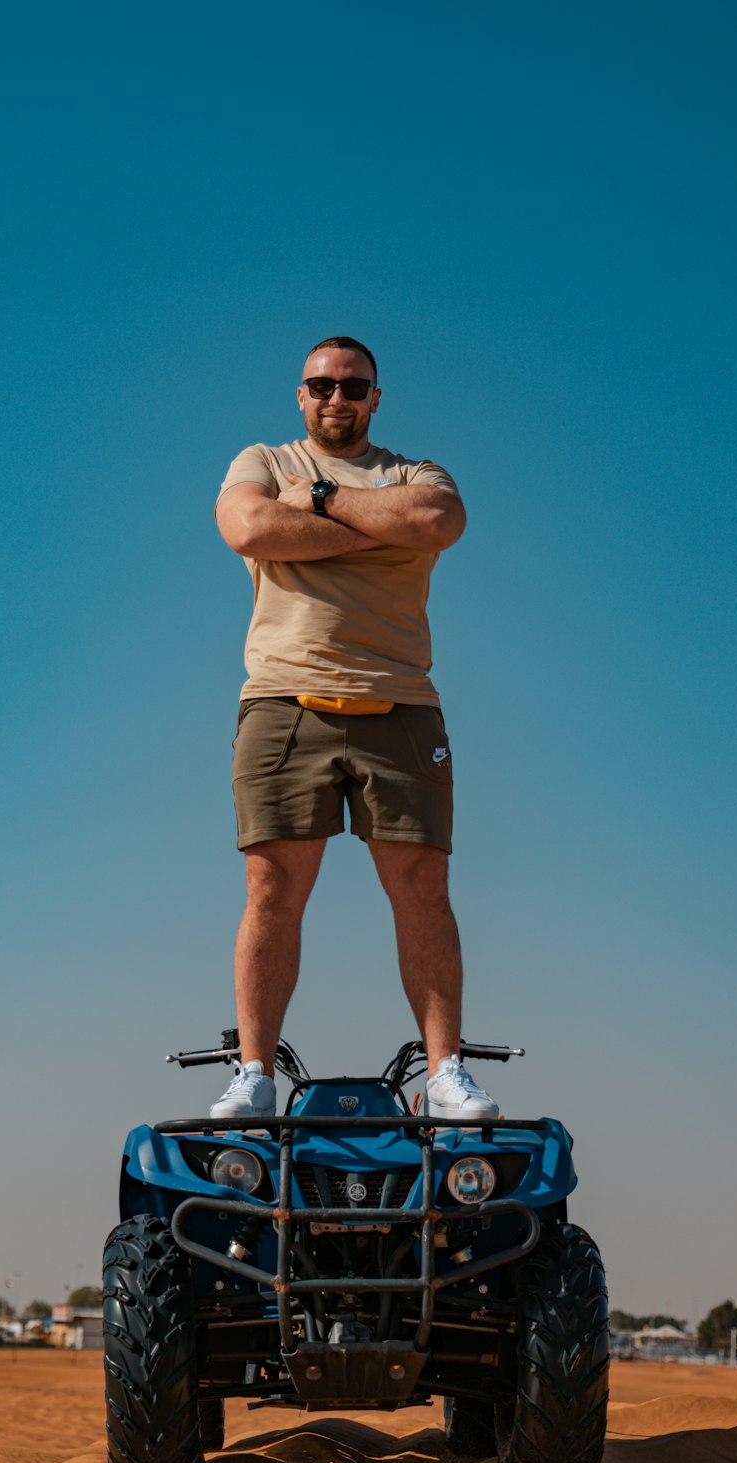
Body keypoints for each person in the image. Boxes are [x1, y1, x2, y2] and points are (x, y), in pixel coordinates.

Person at [211, 335, 498, 1122]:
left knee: (423, 889)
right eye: (321, 385)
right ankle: (257, 1073)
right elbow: (248, 528)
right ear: (299, 396)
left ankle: (444, 1073)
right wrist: (381, 533)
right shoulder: (263, 461)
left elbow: (440, 518)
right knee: (271, 888)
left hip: (400, 703)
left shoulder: (415, 474)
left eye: (353, 386)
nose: (336, 398)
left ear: (376, 398)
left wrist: (324, 503)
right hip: (282, 701)